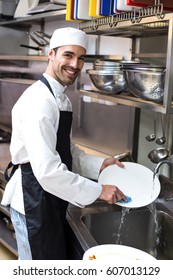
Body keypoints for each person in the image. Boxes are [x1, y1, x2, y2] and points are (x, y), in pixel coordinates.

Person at [1, 27, 127, 260]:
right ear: (51, 54)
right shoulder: (40, 102)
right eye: (68, 55)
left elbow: (66, 151)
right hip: (34, 200)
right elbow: (48, 172)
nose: (75, 64)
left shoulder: (61, 98)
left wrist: (100, 164)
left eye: (81, 58)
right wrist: (99, 191)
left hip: (48, 197)